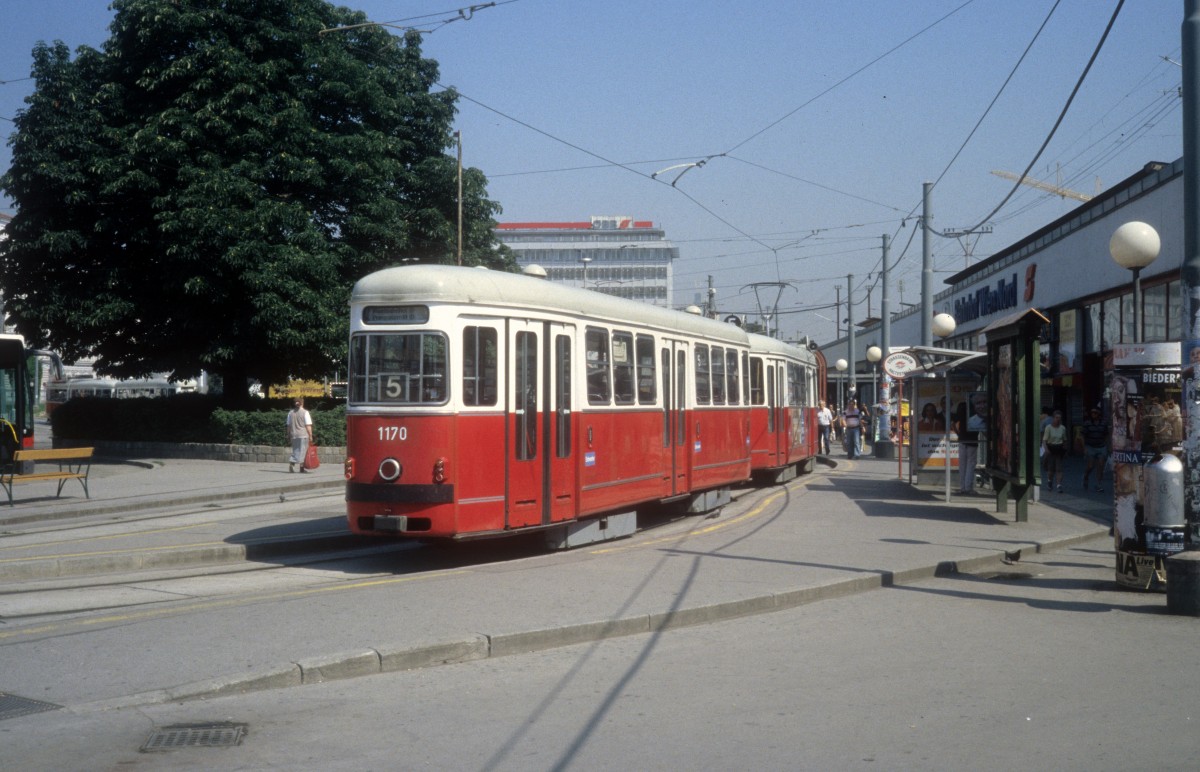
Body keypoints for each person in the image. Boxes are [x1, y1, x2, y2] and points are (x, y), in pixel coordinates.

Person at [1080, 406, 1108, 492]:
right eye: (1092, 413)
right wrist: (1084, 447)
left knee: (1101, 465)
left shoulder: (1103, 423)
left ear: (1099, 414)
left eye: (1095, 413)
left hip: (1101, 446)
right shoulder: (1087, 423)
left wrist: (1107, 445)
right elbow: (1082, 435)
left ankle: (1099, 484)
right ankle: (1086, 475)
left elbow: (1106, 434)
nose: (1093, 414)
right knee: (1091, 465)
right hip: (1090, 446)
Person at [1042, 410, 1068, 492]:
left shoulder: (1062, 428)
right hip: (1051, 448)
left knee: (1059, 468)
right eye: (1056, 418)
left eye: (1059, 418)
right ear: (1053, 418)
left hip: (1059, 449)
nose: (1058, 419)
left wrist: (1065, 449)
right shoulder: (1048, 427)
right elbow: (1044, 440)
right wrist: (1046, 449)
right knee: (1051, 468)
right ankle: (1049, 481)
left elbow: (1065, 439)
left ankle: (1059, 485)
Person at [286, 397, 314, 473]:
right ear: (302, 403)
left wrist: (288, 434)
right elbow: (308, 425)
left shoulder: (290, 413)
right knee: (303, 451)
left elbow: (288, 425)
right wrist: (310, 435)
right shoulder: (305, 412)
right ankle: (297, 466)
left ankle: (296, 466)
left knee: (295, 450)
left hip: (293, 434)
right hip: (303, 434)